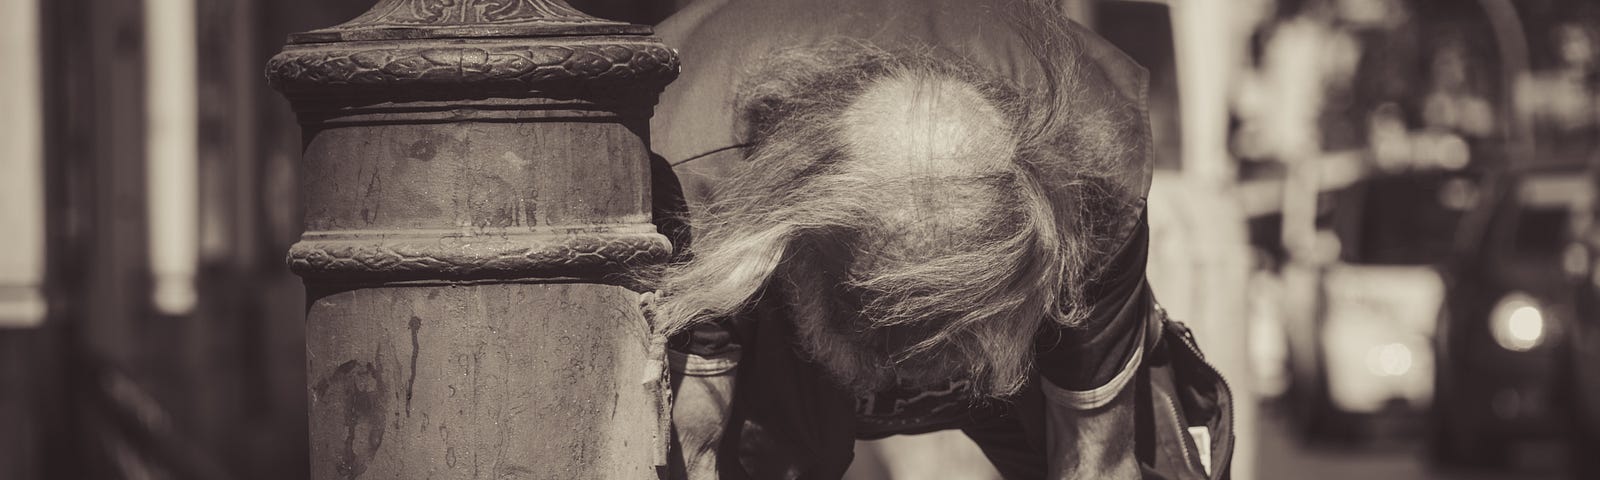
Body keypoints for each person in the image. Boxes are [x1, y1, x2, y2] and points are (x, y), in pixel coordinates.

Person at [644, 0, 1234, 478]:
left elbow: (1098, 460)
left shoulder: (1094, 178)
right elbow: (690, 449)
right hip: (747, 240)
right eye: (895, 334)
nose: (911, 377)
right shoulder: (688, 181)